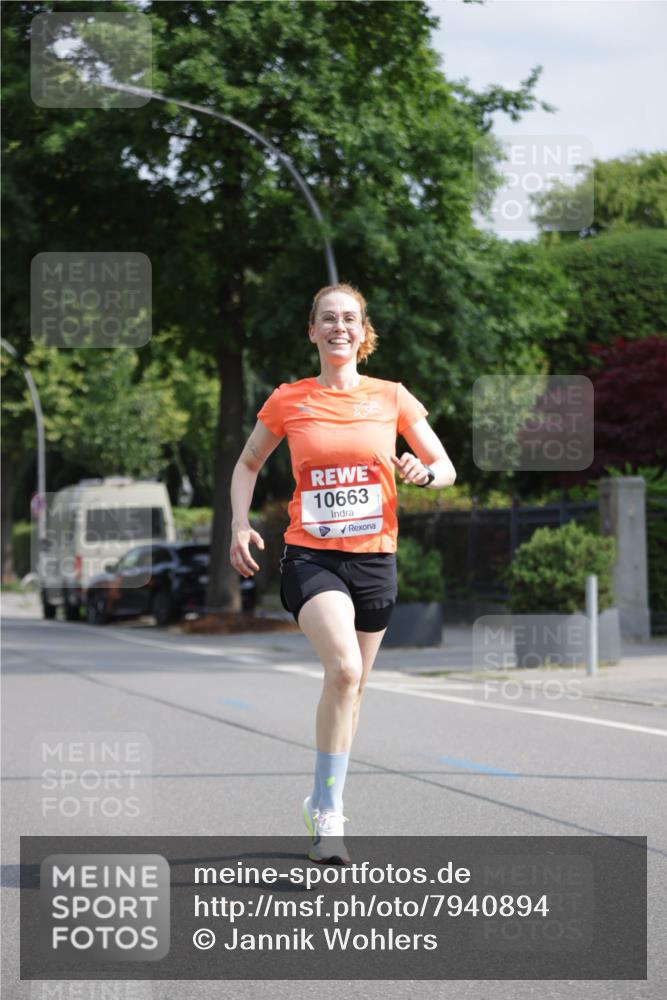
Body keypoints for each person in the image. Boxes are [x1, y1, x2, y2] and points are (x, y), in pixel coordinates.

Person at [229, 284, 456, 864]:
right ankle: (329, 818)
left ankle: (322, 799)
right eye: (327, 319)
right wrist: (239, 522)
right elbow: (249, 462)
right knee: (344, 668)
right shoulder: (289, 399)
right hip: (312, 556)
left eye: (349, 319)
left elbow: (445, 466)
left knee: (352, 690)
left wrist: (421, 473)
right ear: (313, 331)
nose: (339, 327)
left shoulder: (392, 397)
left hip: (376, 558)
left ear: (363, 331)